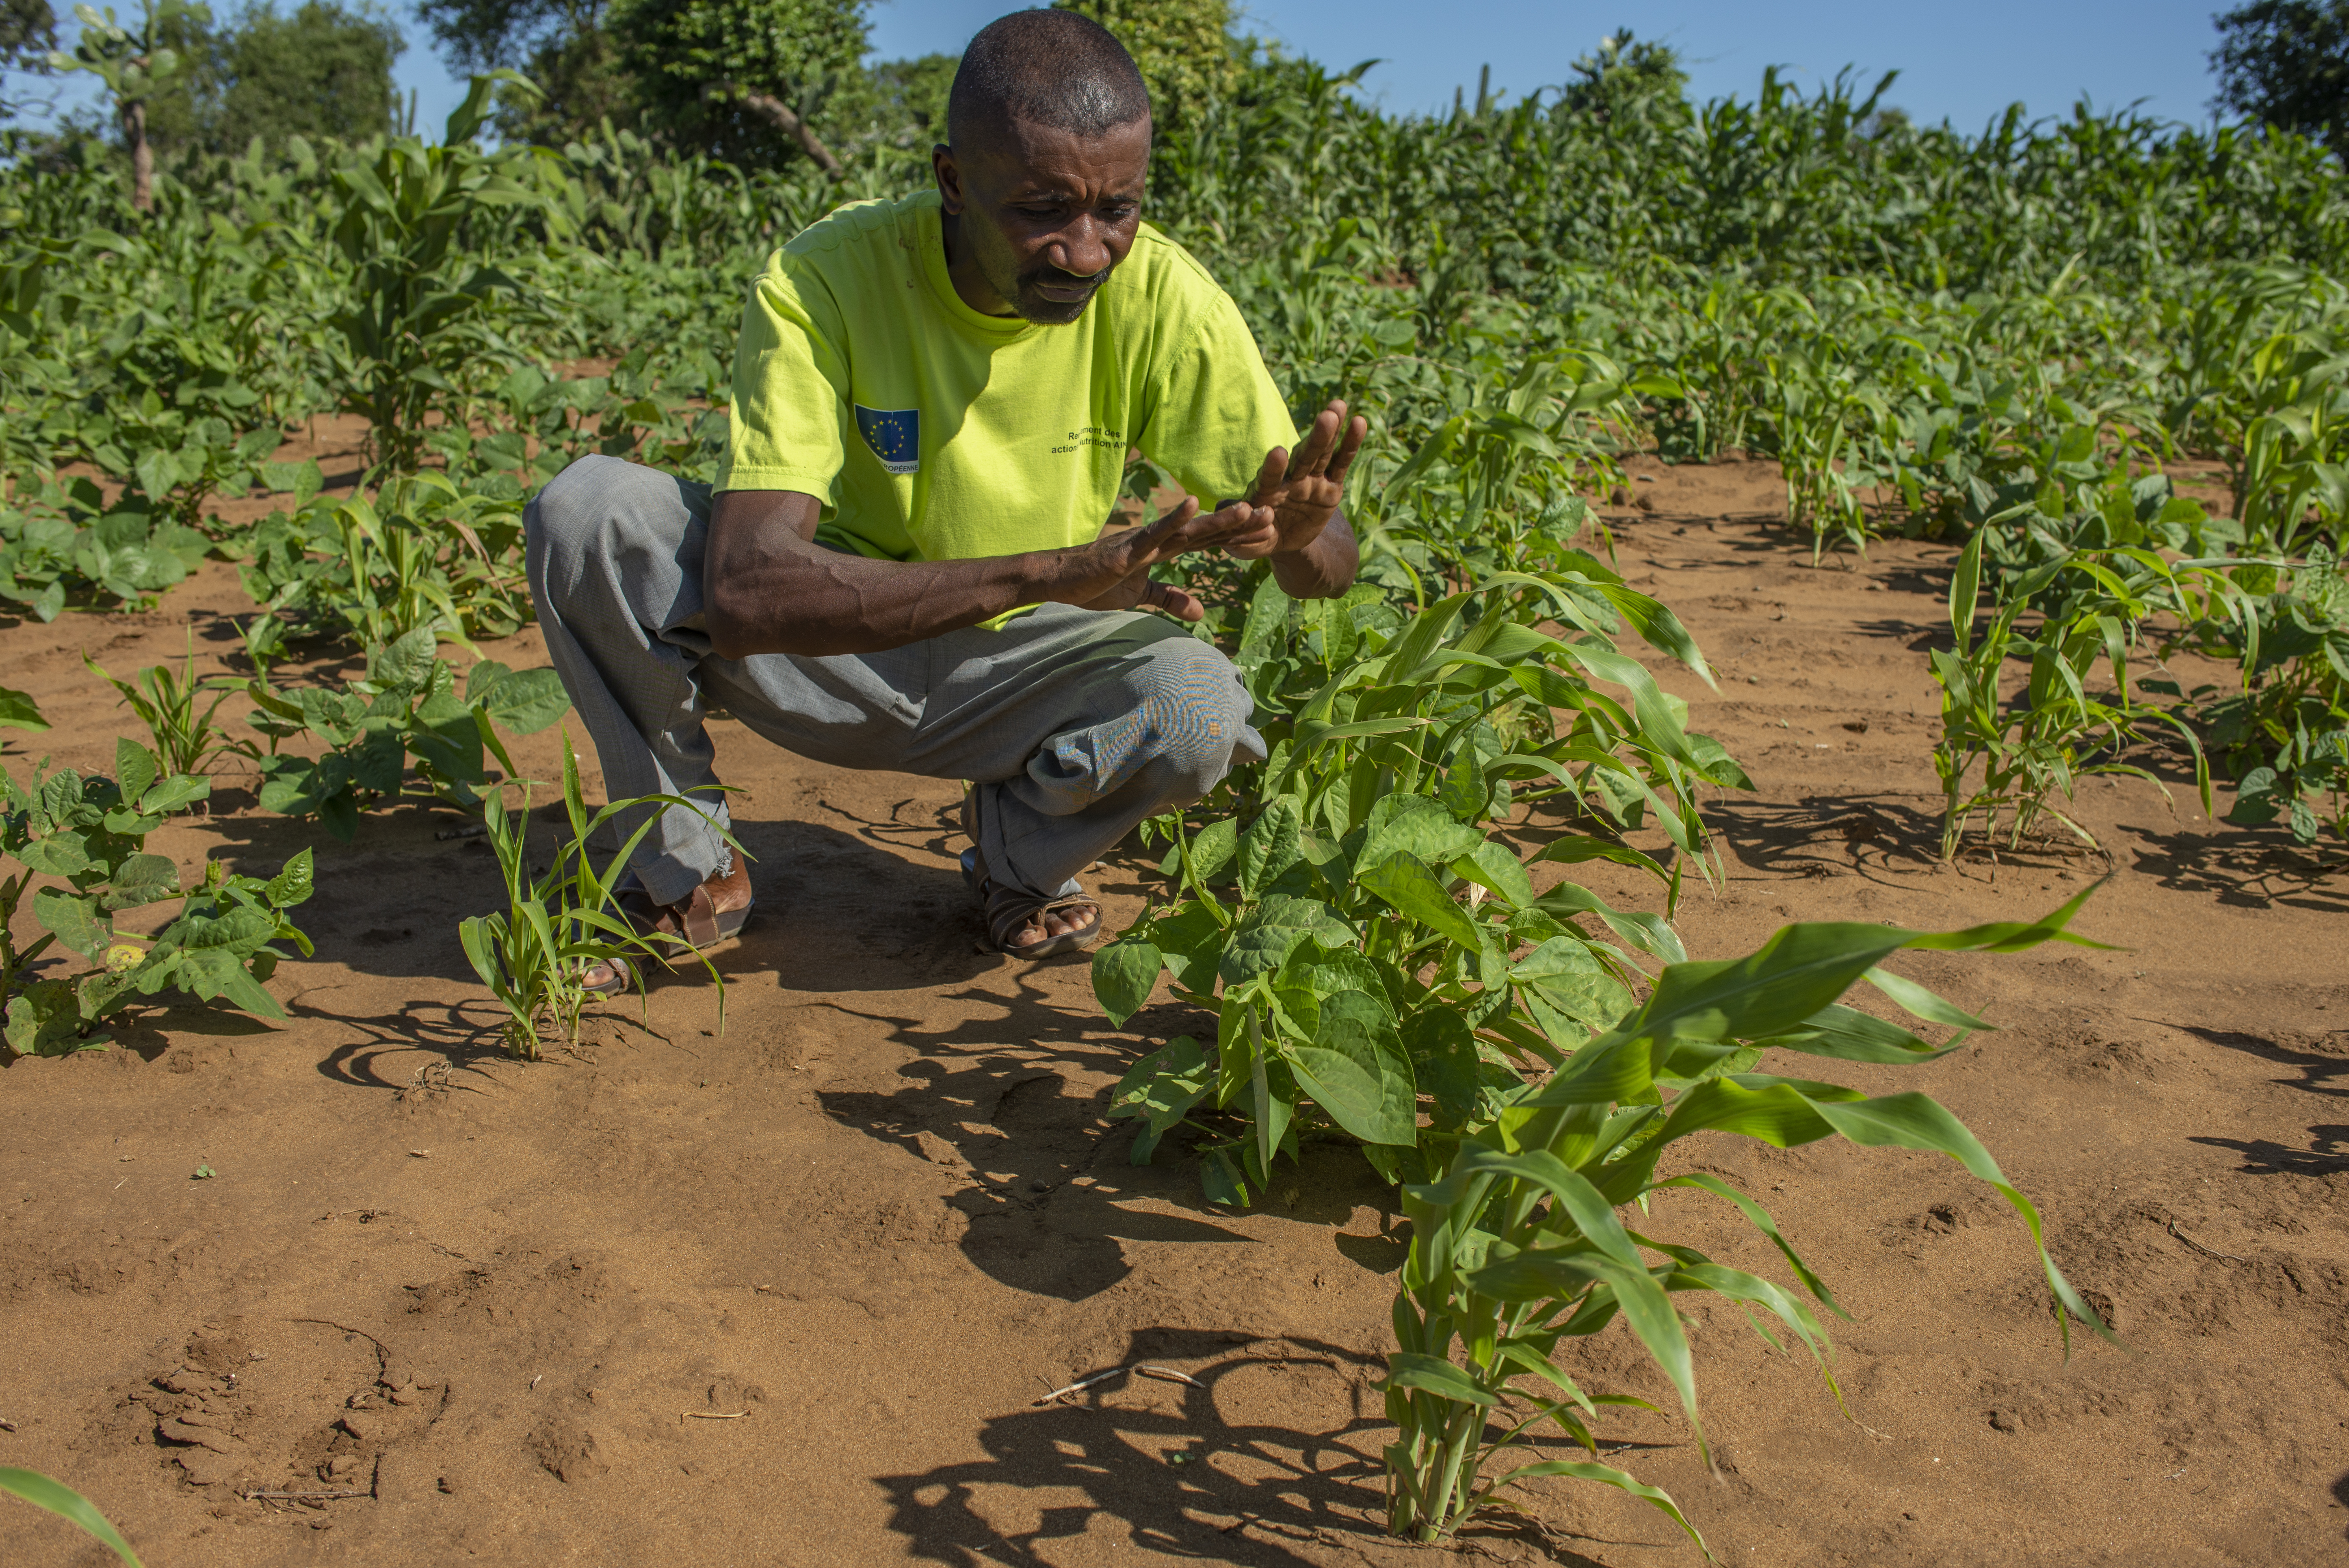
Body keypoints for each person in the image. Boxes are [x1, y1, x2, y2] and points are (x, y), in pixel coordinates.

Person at [525, 7, 1365, 976]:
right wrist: (1053, 571)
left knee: (1196, 708)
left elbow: (1329, 569)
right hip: (830, 651)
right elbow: (751, 591)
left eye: (1117, 210)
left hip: (1016, 668)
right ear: (954, 183)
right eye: (1044, 210)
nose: (1086, 252)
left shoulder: (1166, 302)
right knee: (590, 512)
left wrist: (1301, 538)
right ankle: (684, 864)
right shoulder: (828, 278)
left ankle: (1021, 859)